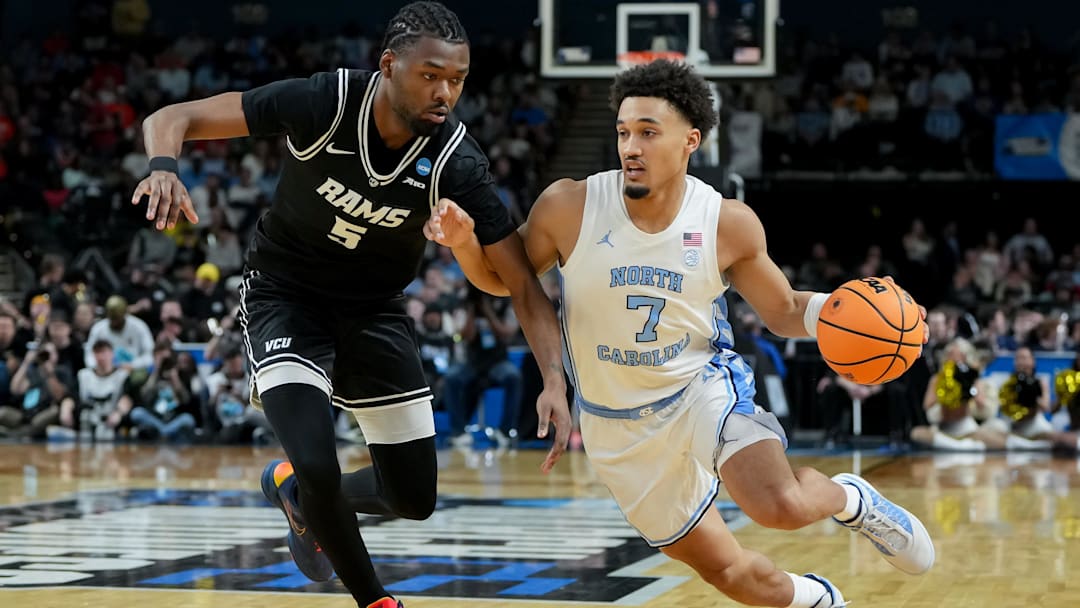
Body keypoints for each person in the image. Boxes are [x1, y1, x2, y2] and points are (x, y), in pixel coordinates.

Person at [430, 59, 935, 608]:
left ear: (690, 140)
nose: (631, 147)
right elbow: (506, 282)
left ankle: (851, 499)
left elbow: (783, 308)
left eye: (649, 132)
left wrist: (840, 314)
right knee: (732, 575)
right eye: (624, 132)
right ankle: (815, 599)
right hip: (615, 427)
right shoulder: (569, 207)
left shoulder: (726, 222)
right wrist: (462, 245)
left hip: (700, 389)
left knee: (779, 506)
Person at [130, 3, 571, 608]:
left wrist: (554, 376)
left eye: (457, 80)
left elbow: (522, 283)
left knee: (412, 499)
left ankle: (292, 491)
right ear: (388, 65)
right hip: (286, 296)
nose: (445, 92)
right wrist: (163, 168)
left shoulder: (456, 161)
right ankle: (375, 599)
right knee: (317, 462)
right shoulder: (326, 102)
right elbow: (173, 116)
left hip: (374, 310)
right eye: (430, 75)